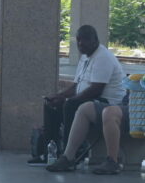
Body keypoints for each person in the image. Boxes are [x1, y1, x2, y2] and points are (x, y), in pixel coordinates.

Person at [52, 48, 145, 175]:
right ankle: (68, 157)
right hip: (128, 106)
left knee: (110, 112)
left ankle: (112, 161)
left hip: (143, 113)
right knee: (85, 108)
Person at [31, 24, 126, 167]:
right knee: (51, 105)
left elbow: (96, 89)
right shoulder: (85, 57)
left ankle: (69, 154)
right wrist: (59, 96)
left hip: (107, 102)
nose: (81, 44)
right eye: (78, 40)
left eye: (85, 40)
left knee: (70, 105)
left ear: (95, 40)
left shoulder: (102, 57)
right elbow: (77, 86)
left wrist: (68, 100)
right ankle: (49, 152)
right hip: (91, 98)